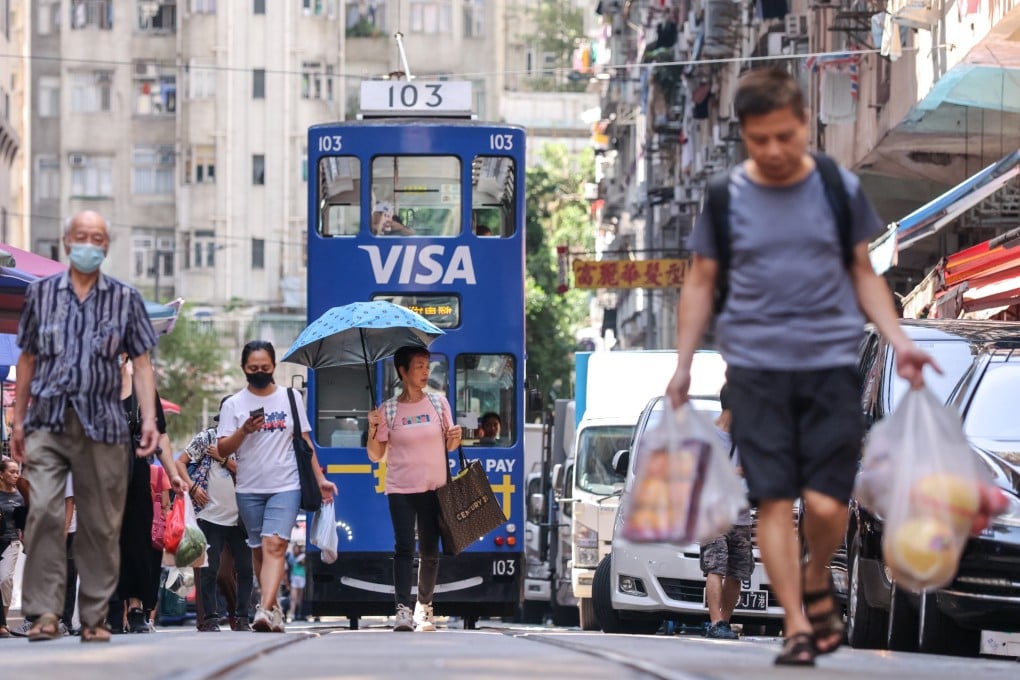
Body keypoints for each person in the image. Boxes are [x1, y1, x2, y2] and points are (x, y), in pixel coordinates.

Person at [664, 70, 936, 666]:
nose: (773, 151)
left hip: (830, 363)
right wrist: (684, 365)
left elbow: (863, 272)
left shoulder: (838, 190)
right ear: (745, 138)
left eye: (784, 137)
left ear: (804, 126)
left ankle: (816, 574)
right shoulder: (725, 198)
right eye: (760, 140)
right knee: (772, 502)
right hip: (756, 369)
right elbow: (701, 282)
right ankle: (796, 624)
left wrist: (899, 340)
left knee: (828, 505)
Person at [10, 210, 186, 643]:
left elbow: (142, 364)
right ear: (67, 242)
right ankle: (45, 613)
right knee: (47, 515)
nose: (89, 243)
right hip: (49, 421)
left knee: (98, 523)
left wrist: (148, 417)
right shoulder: (42, 296)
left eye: (97, 237)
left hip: (104, 424)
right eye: (81, 236)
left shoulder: (125, 300)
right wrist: (17, 422)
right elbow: (28, 359)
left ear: (106, 246)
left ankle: (94, 617)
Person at [217, 340, 336, 634]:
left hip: (286, 484)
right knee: (259, 550)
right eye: (253, 368)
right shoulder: (234, 404)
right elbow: (222, 449)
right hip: (248, 488)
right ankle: (274, 607)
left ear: (274, 367)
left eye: (265, 368)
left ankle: (264, 609)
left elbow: (305, 442)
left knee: (275, 544)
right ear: (244, 369)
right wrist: (243, 431)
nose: (259, 372)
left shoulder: (291, 397)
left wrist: (320, 479)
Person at [366, 345, 463, 632]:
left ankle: (424, 607)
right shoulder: (388, 409)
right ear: (403, 371)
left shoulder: (438, 403)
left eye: (427, 365)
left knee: (430, 549)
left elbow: (449, 445)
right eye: (419, 366)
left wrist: (455, 436)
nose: (425, 371)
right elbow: (375, 454)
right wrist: (372, 428)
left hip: (435, 488)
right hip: (400, 489)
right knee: (404, 547)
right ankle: (402, 610)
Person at [110, 355, 186, 635]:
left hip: (135, 472)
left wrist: (172, 474)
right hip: (99, 472)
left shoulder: (143, 388)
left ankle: (137, 607)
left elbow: (161, 436)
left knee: (137, 541)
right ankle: (112, 609)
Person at [179, 415, 254, 633]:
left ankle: (242, 618)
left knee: (245, 570)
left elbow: (253, 474)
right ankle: (211, 618)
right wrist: (192, 487)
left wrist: (223, 459)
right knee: (209, 571)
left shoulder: (248, 441)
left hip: (241, 518)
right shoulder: (207, 438)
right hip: (210, 517)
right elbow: (179, 463)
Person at [699, 384, 752, 640]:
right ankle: (715, 622)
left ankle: (724, 622)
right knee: (716, 566)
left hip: (740, 513)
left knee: (737, 571)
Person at [0, 458, 25, 632]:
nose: (16, 475)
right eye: (12, 471)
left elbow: (22, 524)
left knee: (5, 579)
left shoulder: (20, 497)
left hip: (11, 542)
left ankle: (3, 620)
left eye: (17, 472)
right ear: (1, 474)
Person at [287, 542, 306, 622]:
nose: (295, 550)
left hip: (302, 577)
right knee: (293, 597)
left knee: (300, 598)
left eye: (296, 548)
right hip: (294, 577)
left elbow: (304, 564)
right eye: (294, 549)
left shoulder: (303, 556)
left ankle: (300, 613)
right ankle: (292, 614)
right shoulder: (291, 557)